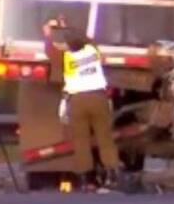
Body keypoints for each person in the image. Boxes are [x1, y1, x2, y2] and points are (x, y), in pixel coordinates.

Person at [42, 16, 123, 192]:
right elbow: (87, 39)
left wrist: (49, 34)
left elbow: (50, 51)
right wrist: (67, 27)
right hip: (98, 98)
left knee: (81, 140)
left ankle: (86, 179)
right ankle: (113, 174)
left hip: (77, 100)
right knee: (105, 138)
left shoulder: (66, 57)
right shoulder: (92, 51)